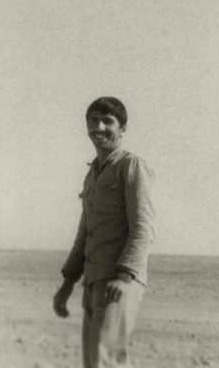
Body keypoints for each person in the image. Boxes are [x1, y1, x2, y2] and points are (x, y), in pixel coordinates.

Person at [53, 96, 156, 368]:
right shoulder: (93, 174)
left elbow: (143, 227)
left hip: (119, 281)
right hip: (94, 281)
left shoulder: (131, 166)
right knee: (96, 363)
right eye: (93, 120)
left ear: (123, 129)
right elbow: (85, 233)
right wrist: (68, 283)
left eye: (108, 121)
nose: (99, 127)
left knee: (105, 362)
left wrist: (124, 278)